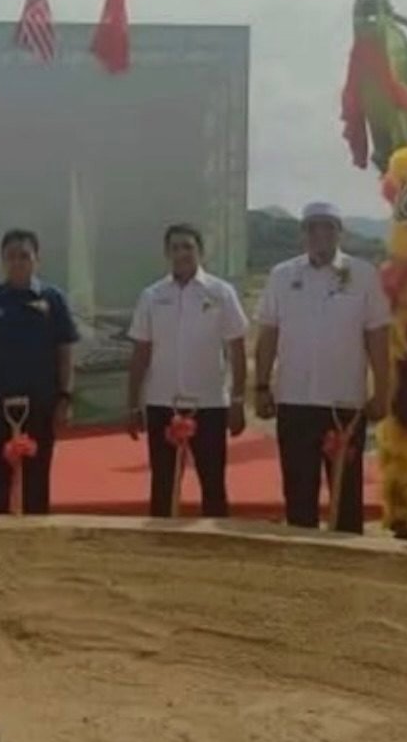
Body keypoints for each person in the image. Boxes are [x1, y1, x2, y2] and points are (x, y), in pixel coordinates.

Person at [254, 202, 391, 533]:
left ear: (339, 232)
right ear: (303, 233)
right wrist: (260, 386)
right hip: (295, 401)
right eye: (312, 227)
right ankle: (305, 570)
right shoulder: (282, 275)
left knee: (346, 497)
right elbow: (269, 334)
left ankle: (347, 570)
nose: (320, 234)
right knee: (299, 494)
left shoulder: (363, 275)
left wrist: (383, 391)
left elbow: (377, 337)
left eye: (328, 227)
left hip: (344, 406)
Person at [126, 223, 249, 517]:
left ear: (200, 252)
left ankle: (216, 548)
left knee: (213, 483)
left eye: (188, 247)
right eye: (175, 248)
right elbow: (141, 353)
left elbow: (237, 349)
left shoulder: (221, 292)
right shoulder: (152, 295)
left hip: (209, 405)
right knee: (164, 484)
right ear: (166, 253)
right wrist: (133, 404)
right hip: (162, 405)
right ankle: (162, 549)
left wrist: (238, 400)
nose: (181, 253)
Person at [0, 229, 79, 514]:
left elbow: (65, 353)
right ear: (2, 261)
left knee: (37, 480)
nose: (17, 262)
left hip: (41, 405)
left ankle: (37, 545)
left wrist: (65, 398)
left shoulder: (53, 300)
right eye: (11, 257)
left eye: (24, 256)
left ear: (37, 260)